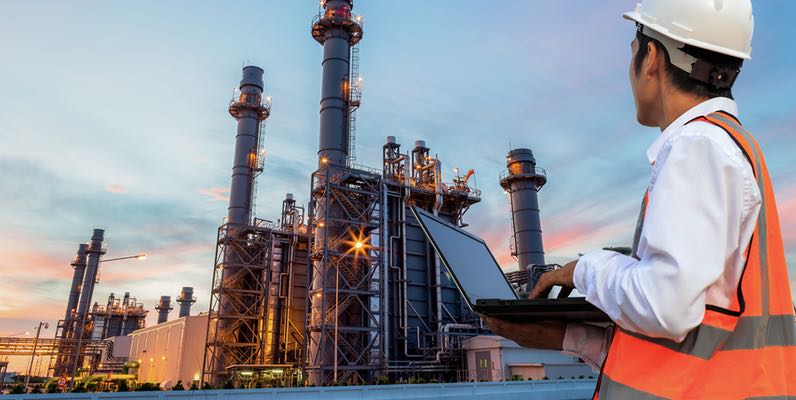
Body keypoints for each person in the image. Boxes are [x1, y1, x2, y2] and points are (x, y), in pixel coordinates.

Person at [485, 0, 795, 398]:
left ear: (651, 57)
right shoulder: (728, 147)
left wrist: (584, 269)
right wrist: (568, 337)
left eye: (632, 51)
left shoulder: (697, 147)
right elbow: (687, 346)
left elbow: (664, 308)